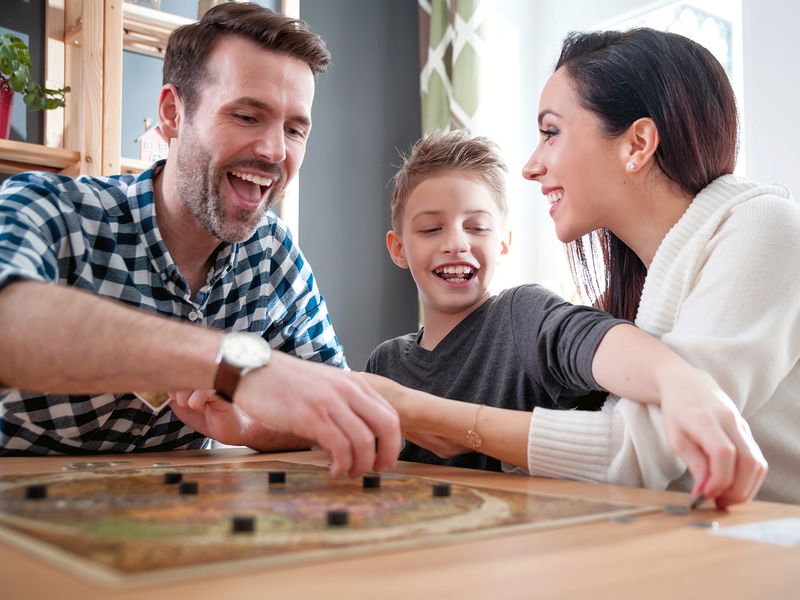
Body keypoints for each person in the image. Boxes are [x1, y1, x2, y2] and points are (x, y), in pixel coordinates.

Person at [0, 3, 400, 478]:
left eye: (295, 129)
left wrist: (248, 424)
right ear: (172, 113)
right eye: (248, 116)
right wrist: (233, 363)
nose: (275, 150)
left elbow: (324, 403)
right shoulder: (50, 206)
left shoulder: (273, 254)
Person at [364, 129, 766, 506]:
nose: (456, 242)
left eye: (477, 227)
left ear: (503, 244)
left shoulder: (521, 314)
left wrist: (678, 381)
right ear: (398, 248)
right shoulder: (386, 362)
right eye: (431, 229)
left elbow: (599, 341)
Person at [518, 28, 799, 504]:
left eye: (550, 133)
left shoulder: (766, 227)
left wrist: (414, 410)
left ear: (637, 144)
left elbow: (637, 451)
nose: (530, 166)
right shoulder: (634, 290)